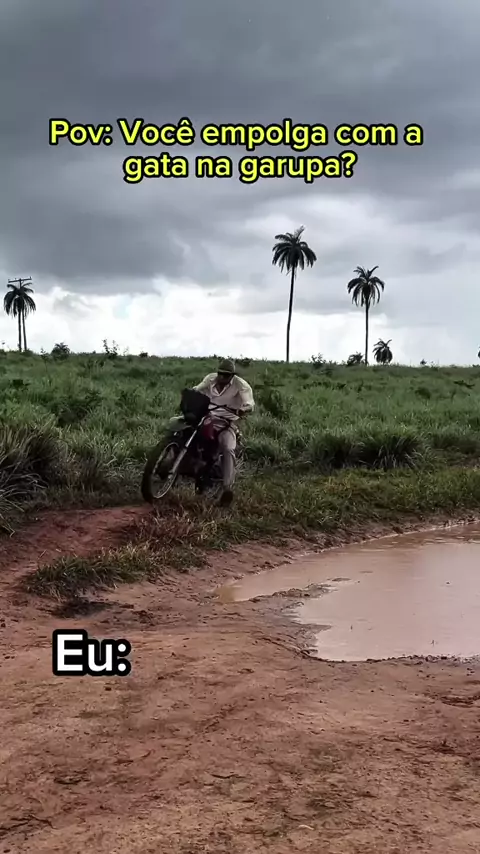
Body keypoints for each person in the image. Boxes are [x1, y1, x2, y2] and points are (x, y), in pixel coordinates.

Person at [167, 358, 255, 506]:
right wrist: (190, 394)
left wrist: (243, 409)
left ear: (232, 376)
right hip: (205, 416)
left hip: (226, 422)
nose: (222, 377)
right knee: (178, 426)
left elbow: (250, 403)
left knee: (228, 448)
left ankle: (227, 488)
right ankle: (170, 460)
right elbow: (198, 388)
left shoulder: (241, 385)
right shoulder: (210, 378)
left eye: (226, 375)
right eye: (220, 373)